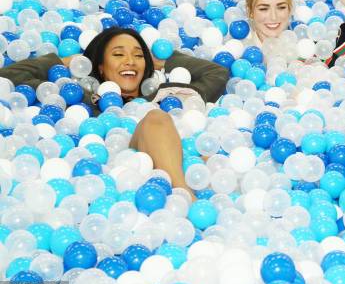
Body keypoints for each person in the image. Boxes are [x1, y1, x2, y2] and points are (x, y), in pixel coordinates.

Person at [0, 27, 229, 196]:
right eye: (118, 55)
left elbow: (217, 74)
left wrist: (161, 61)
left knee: (164, 124)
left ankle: (185, 195)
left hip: (163, 183)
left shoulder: (167, 97)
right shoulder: (81, 100)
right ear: (99, 66)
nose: (130, 61)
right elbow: (8, 77)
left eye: (138, 55)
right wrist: (69, 61)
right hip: (104, 183)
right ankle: (185, 197)